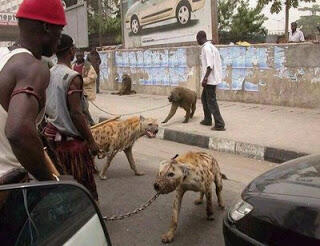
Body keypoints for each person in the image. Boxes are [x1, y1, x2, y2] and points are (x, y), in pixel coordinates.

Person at [0, 0, 66, 184]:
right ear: (46, 27)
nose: (59, 39)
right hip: (10, 189)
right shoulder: (33, 68)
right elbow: (18, 131)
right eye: (59, 31)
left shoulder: (3, 56)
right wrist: (49, 181)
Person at [44, 34, 100, 201]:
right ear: (71, 51)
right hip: (71, 144)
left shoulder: (49, 72)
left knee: (63, 181)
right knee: (81, 183)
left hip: (53, 140)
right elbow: (76, 113)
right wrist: (91, 141)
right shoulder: (72, 77)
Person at [196, 31, 225, 131]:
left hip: (210, 80)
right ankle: (207, 119)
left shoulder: (206, 48)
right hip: (212, 79)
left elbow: (210, 65)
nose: (197, 41)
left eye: (197, 39)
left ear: (200, 38)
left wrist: (205, 78)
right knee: (204, 99)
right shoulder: (211, 47)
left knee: (211, 102)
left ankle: (220, 124)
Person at [72, 50, 97, 126]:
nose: (79, 57)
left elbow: (93, 77)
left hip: (85, 91)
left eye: (80, 56)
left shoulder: (88, 66)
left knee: (85, 108)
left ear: (83, 56)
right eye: (77, 56)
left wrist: (81, 81)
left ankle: (91, 123)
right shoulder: (73, 65)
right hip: (75, 90)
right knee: (77, 110)